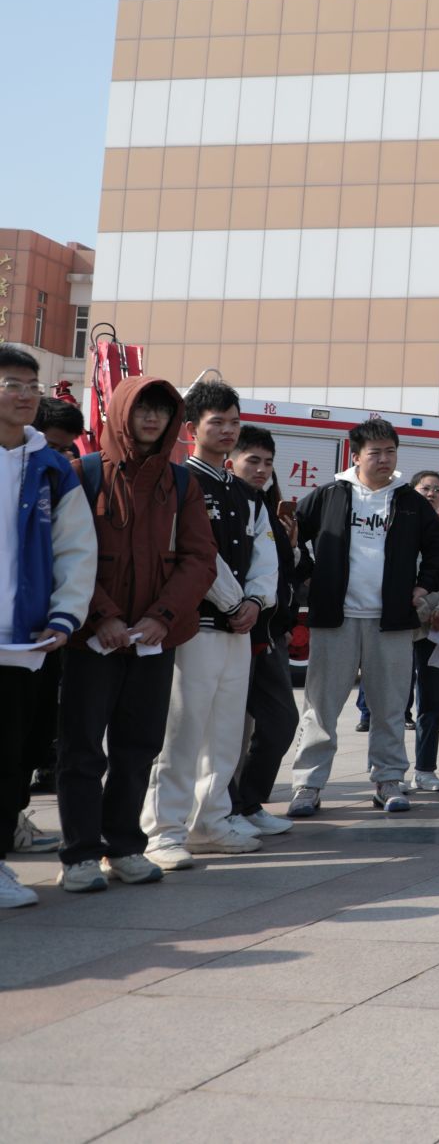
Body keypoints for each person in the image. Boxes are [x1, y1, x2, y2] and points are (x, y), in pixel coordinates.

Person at [58, 375, 216, 892]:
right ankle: (79, 854)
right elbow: (69, 554)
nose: (151, 418)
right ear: (122, 412)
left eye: (161, 411)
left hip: (153, 640)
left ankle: (124, 846)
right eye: (142, 408)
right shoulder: (82, 473)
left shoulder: (183, 484)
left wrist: (160, 618)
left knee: (139, 745)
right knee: (83, 747)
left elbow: (199, 559)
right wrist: (101, 615)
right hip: (92, 637)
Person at [142, 381, 277, 869]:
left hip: (238, 629)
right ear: (192, 428)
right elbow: (196, 553)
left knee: (223, 733)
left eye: (233, 422)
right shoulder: (179, 482)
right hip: (193, 626)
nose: (226, 430)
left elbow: (266, 555)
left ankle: (210, 821)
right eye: (216, 422)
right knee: (182, 731)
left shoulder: (246, 493)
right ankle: (164, 831)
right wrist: (235, 600)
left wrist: (257, 602)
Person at [287, 420, 439, 816]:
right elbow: (291, 533)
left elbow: (438, 545)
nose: (383, 459)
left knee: (390, 706)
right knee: (321, 708)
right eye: (374, 452)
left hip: (390, 620)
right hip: (334, 619)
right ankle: (308, 785)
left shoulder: (409, 500)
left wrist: (423, 586)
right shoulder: (330, 494)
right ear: (355, 455)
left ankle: (389, 779)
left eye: (390, 451)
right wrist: (308, 572)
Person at [0, 347, 94, 908]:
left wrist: (65, 616)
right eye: (12, 382)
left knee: (14, 760)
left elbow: (77, 549)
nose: (25, 393)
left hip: (25, 645)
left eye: (31, 384)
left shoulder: (51, 466)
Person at [222, 426, 298, 839]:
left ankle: (249, 802)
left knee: (281, 720)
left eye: (268, 463)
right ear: (231, 460)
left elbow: (282, 572)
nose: (262, 470)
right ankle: (229, 807)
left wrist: (296, 547)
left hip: (267, 633)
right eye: (254, 460)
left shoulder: (264, 505)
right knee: (229, 729)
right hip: (229, 628)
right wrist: (240, 606)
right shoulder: (220, 499)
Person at [403, 470, 439, 790]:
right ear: (412, 491)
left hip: (436, 627)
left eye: (437, 489)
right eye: (425, 488)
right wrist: (421, 608)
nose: (431, 493)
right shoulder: (395, 529)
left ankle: (424, 770)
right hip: (400, 623)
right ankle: (386, 771)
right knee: (392, 702)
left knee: (433, 701)